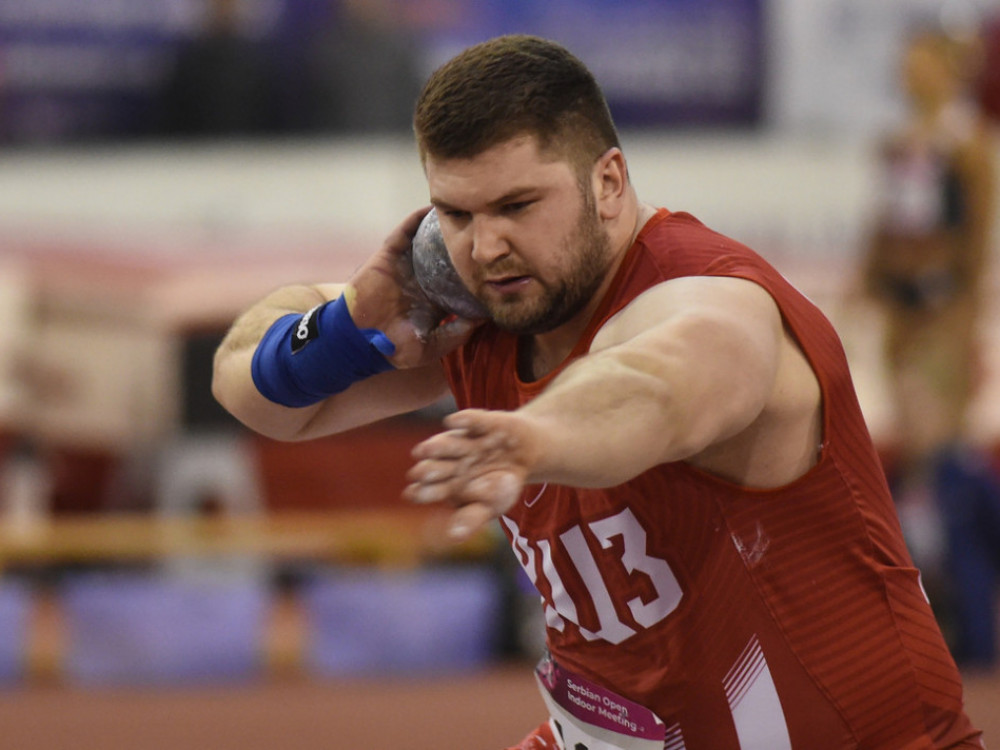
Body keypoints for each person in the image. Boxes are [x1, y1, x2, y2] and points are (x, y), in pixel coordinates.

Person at [213, 35, 983, 749]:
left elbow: (652, 387)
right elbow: (253, 392)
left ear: (608, 182)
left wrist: (534, 438)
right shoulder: (484, 309)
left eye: (517, 206)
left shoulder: (714, 298)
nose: (484, 248)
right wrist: (348, 324)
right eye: (455, 214)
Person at [861, 27, 1000, 668]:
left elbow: (973, 247)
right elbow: (882, 233)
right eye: (905, 64)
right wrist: (867, 294)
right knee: (921, 467)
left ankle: (975, 633)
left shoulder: (969, 145)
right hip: (904, 320)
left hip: (943, 323)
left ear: (949, 71)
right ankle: (935, 625)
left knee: (940, 465)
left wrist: (962, 321)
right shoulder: (897, 145)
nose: (911, 74)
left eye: (922, 64)